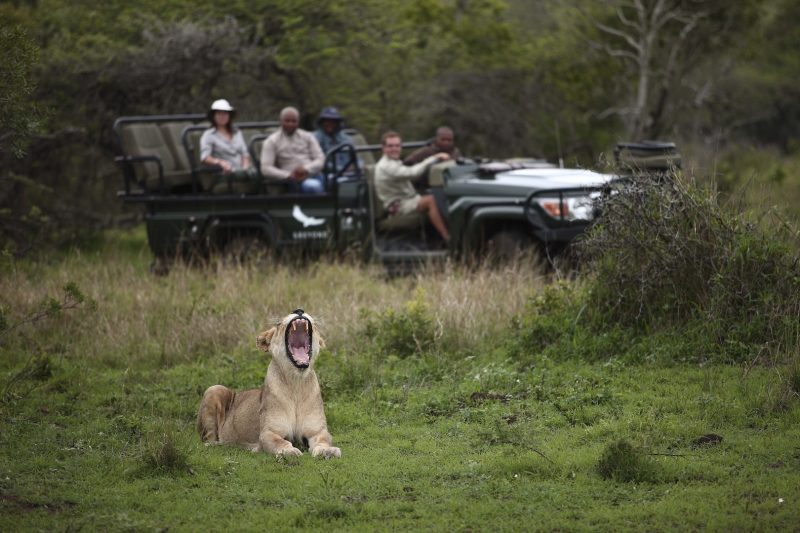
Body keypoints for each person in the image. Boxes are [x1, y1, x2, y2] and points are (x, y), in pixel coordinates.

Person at [375, 131, 451, 243]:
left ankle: (437, 238)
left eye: (397, 146)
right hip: (398, 206)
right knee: (432, 201)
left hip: (408, 200)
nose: (394, 149)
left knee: (439, 195)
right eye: (390, 146)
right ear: (383, 148)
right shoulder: (386, 166)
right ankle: (448, 238)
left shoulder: (392, 161)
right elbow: (412, 173)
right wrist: (433, 158)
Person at [260, 107, 325, 194]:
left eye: (294, 121)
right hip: (290, 181)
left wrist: (306, 169)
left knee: (332, 182)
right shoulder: (271, 141)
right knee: (313, 186)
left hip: (313, 175)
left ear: (298, 122)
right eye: (287, 121)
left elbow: (320, 159)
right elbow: (265, 168)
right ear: (281, 121)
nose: (290, 124)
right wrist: (289, 175)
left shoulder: (308, 136)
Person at [200, 99, 256, 191]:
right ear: (213, 116)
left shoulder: (237, 132)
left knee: (257, 172)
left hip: (242, 170)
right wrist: (220, 162)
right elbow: (205, 157)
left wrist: (245, 167)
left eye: (225, 113)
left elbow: (245, 154)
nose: (222, 116)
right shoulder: (208, 135)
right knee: (250, 174)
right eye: (219, 114)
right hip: (225, 173)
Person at [313, 106, 360, 174]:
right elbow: (318, 162)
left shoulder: (345, 138)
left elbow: (353, 158)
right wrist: (342, 169)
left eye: (333, 121)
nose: (330, 124)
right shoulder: (315, 139)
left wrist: (355, 166)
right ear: (322, 122)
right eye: (327, 121)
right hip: (326, 173)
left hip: (347, 173)